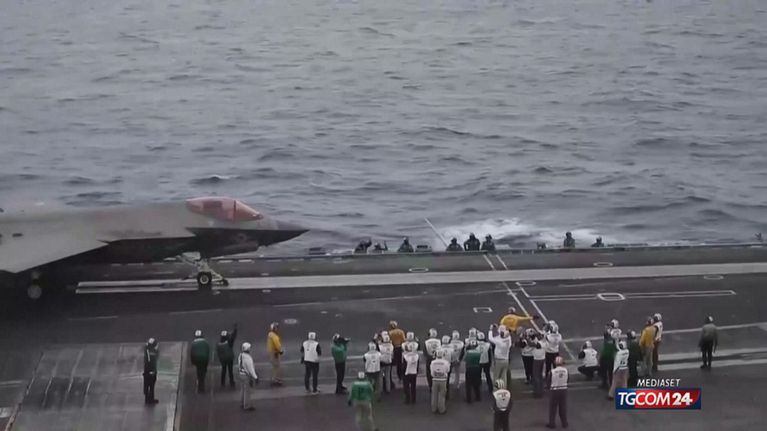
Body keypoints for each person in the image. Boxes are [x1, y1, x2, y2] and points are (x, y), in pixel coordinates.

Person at [546, 357, 569, 429]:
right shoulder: (566, 371)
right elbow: (568, 379)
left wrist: (548, 388)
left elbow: (548, 382)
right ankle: (564, 423)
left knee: (553, 408)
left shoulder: (552, 372)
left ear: (555, 363)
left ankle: (552, 423)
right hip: (563, 389)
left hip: (554, 390)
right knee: (563, 407)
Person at [488, 324, 512, 389]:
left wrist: (491, 330)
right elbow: (506, 335)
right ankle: (504, 389)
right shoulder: (508, 340)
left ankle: (496, 390)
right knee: (504, 376)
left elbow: (491, 338)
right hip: (506, 360)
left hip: (499, 361)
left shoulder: (499, 341)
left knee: (496, 376)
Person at [237, 342, 258, 411]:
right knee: (247, 391)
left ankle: (242, 403)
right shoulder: (248, 358)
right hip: (246, 375)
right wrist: (255, 377)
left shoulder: (240, 355)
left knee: (242, 390)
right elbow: (251, 369)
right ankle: (246, 405)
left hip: (241, 374)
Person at [216, 324, 238, 388]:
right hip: (229, 358)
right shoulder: (229, 343)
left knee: (223, 370)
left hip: (223, 359)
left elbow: (218, 353)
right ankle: (232, 382)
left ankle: (222, 383)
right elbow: (233, 336)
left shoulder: (219, 345)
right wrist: (235, 329)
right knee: (230, 371)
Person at [430, 348, 451, 414]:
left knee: (434, 395)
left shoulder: (433, 362)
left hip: (434, 379)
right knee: (442, 395)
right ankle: (441, 409)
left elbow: (431, 372)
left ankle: (434, 408)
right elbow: (448, 370)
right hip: (443, 380)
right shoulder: (446, 362)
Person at [464, 338, 482, 403]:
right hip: (477, 368)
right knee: (476, 384)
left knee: (468, 385)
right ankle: (478, 397)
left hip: (469, 368)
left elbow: (465, 359)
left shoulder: (468, 352)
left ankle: (469, 399)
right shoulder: (479, 352)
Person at [143, 338, 159, 405]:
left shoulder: (148, 350)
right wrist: (152, 371)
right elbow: (150, 361)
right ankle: (149, 399)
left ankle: (149, 398)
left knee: (149, 385)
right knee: (150, 385)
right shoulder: (152, 352)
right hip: (150, 370)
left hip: (149, 370)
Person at [531, 332, 547, 398]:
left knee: (536, 376)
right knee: (540, 376)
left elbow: (536, 345)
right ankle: (541, 390)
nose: (537, 336)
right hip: (542, 359)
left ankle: (537, 392)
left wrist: (527, 339)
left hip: (537, 360)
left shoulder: (541, 343)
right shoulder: (544, 342)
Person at [439, 335, 454, 400]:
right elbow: (453, 358)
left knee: (441, 379)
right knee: (447, 381)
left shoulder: (439, 348)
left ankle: (441, 393)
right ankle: (446, 394)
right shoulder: (451, 349)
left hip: (441, 365)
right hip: (448, 365)